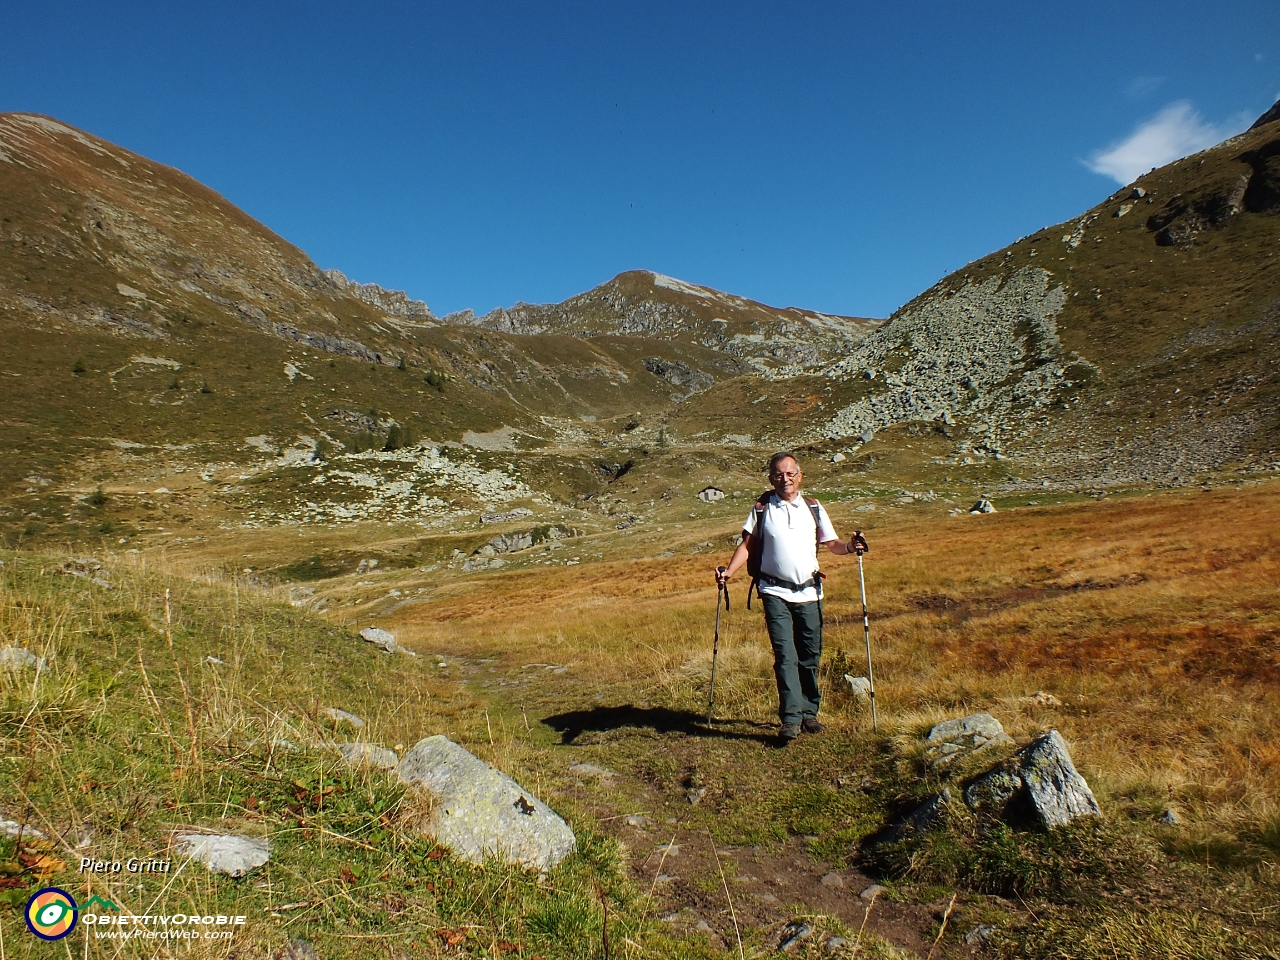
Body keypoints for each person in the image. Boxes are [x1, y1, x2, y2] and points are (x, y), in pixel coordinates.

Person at [715, 452, 867, 743]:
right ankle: (791, 718)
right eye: (778, 475)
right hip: (774, 591)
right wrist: (729, 572)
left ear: (800, 475)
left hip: (810, 591)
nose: (785, 479)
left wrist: (850, 547)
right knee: (785, 655)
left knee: (810, 654)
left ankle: (810, 713)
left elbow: (831, 543)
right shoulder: (762, 508)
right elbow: (747, 545)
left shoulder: (814, 508)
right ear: (771, 478)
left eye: (790, 474)